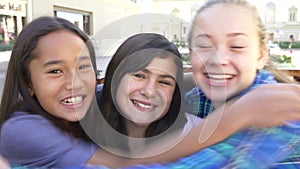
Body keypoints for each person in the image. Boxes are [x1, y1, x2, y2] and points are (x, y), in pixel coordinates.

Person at [1, 16, 300, 169]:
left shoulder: (98, 95)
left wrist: (220, 74)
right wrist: (239, 115)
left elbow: (155, 84)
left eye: (82, 67)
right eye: (55, 71)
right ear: (27, 82)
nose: (75, 83)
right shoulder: (21, 130)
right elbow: (121, 165)